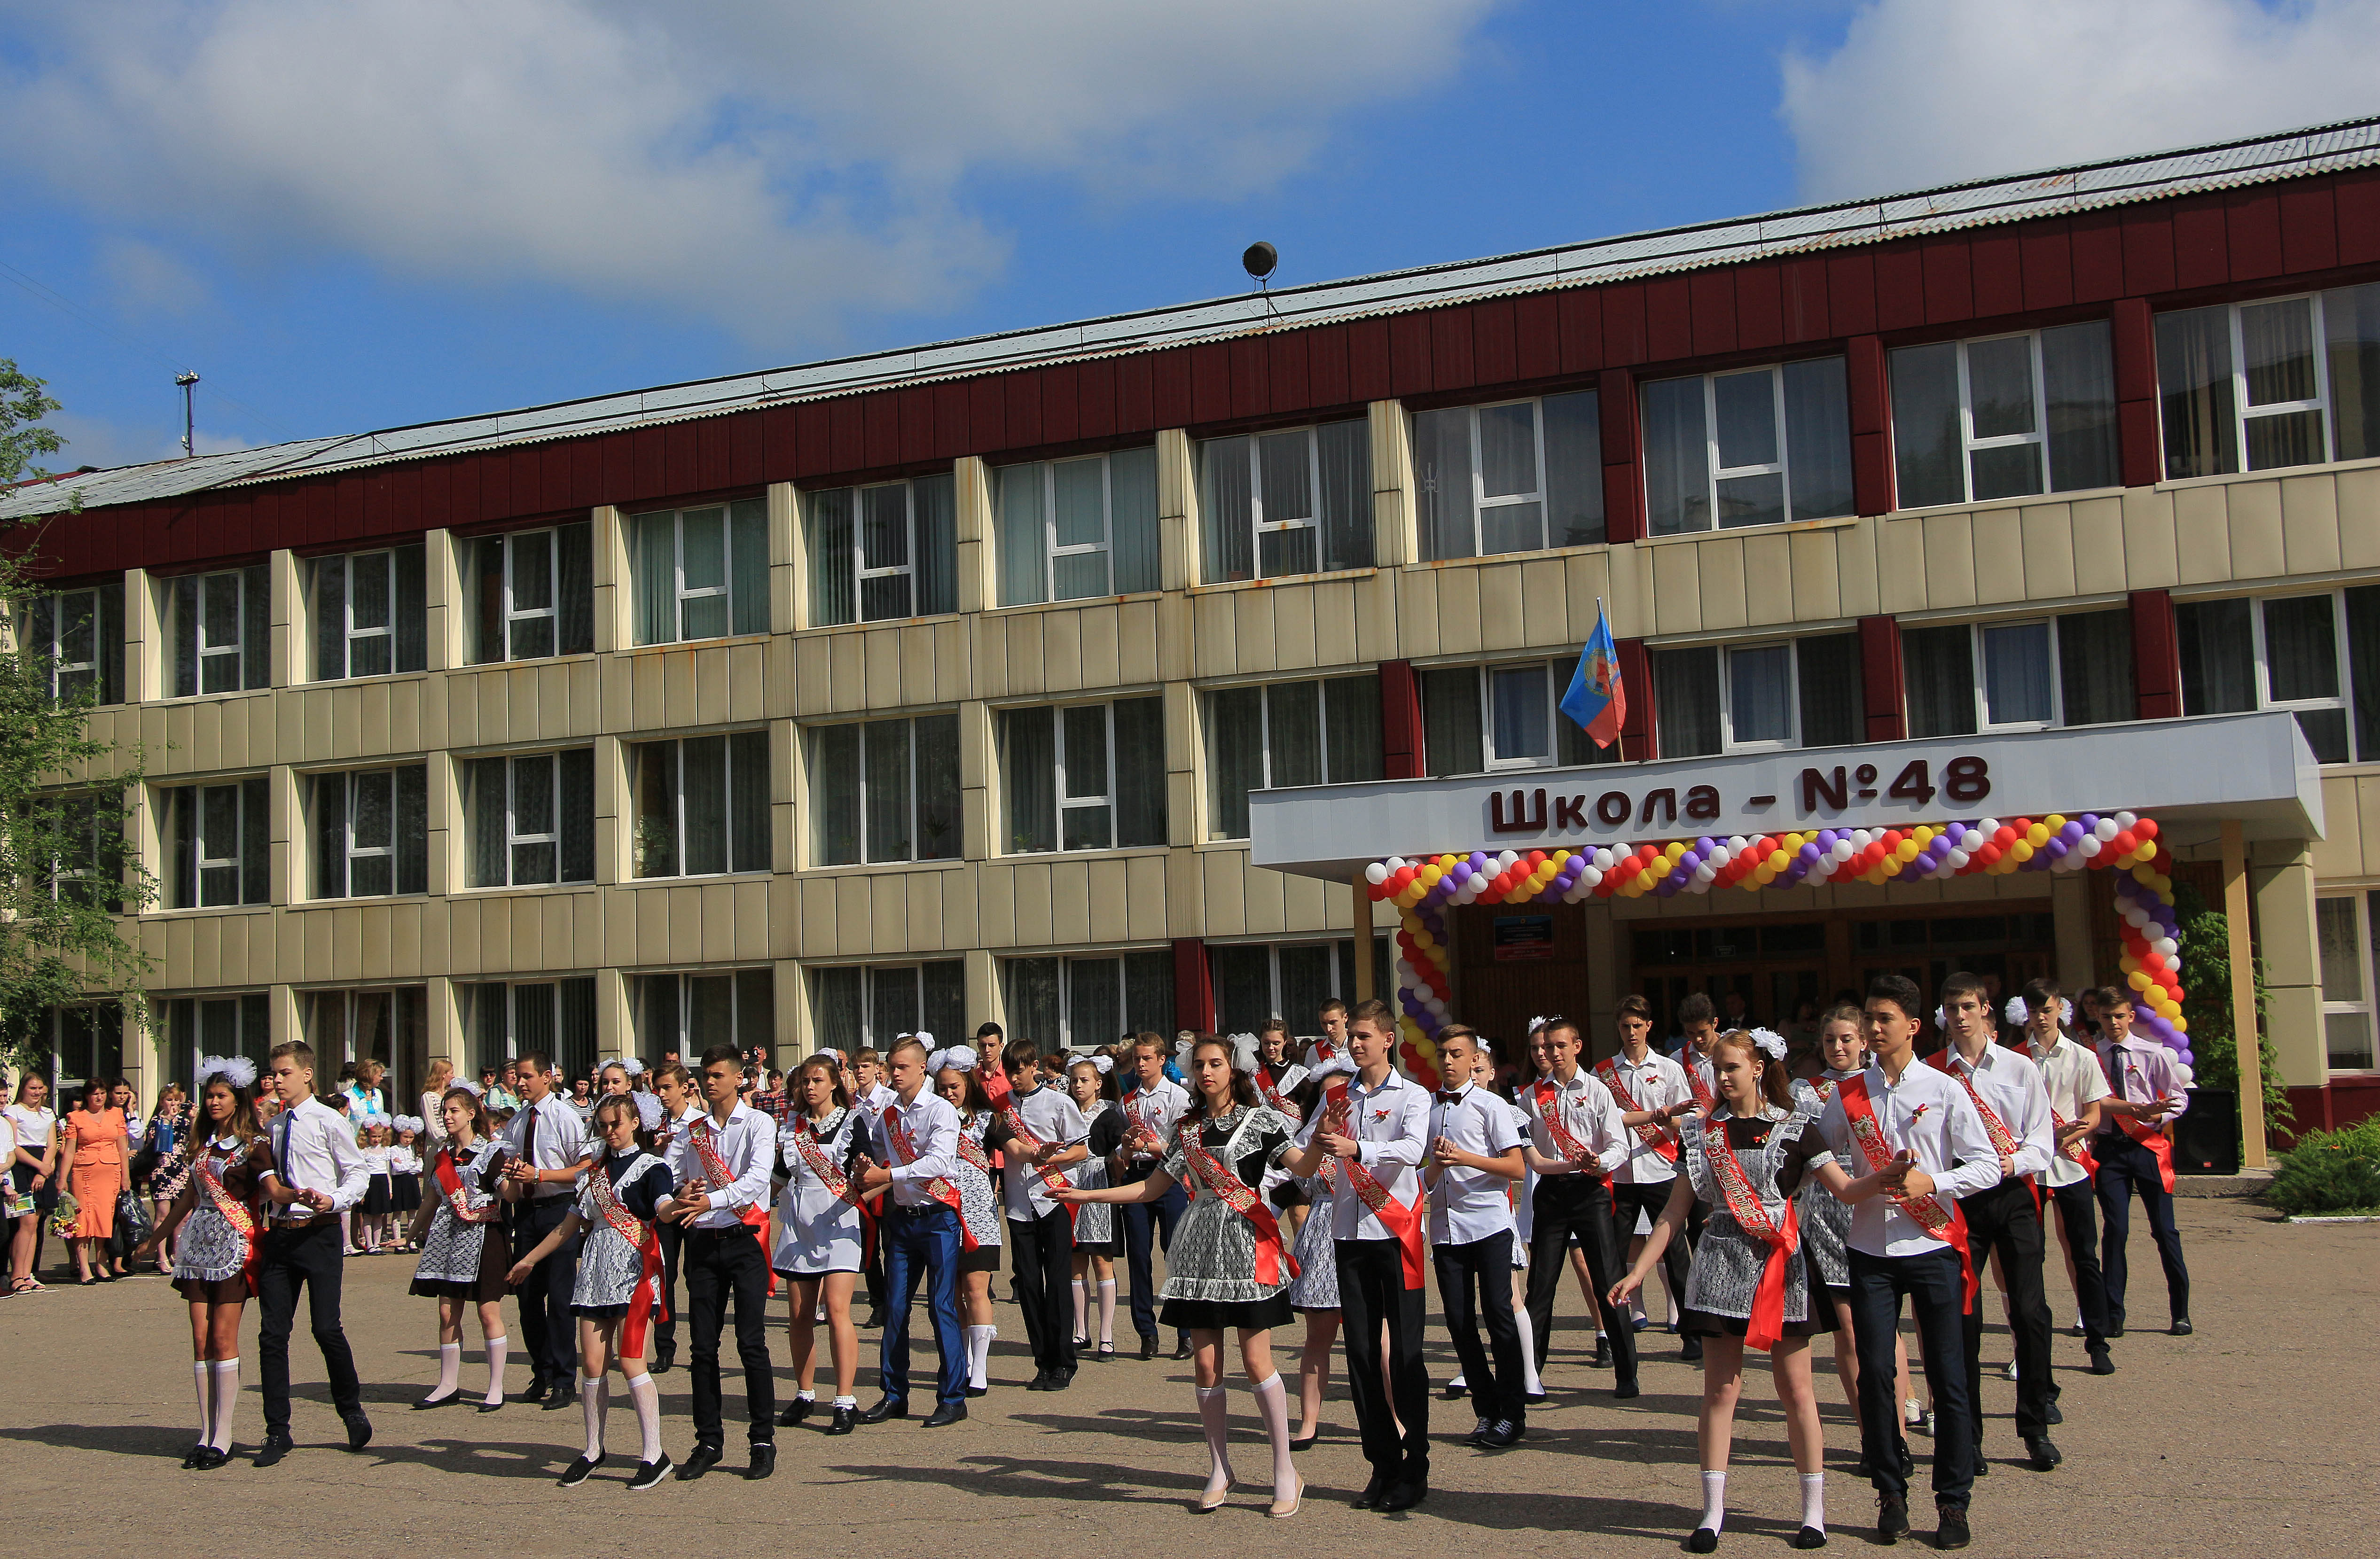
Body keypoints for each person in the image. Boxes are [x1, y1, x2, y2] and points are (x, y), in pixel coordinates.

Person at [1613, 1028, 1872, 1552]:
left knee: (1797, 1391)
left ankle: (1813, 1513)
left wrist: (1890, 1178)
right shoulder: (1702, 1134)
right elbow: (1674, 1212)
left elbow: (1845, 1190)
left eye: (1732, 1067)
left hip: (1784, 1265)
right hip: (1721, 1264)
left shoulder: (1799, 1128)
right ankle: (1711, 1513)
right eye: (1716, 1069)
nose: (1722, 1077)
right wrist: (1639, 1271)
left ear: (1758, 1069)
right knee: (1719, 1392)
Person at [1056, 1034, 1303, 1518]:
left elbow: (1305, 1167)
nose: (1207, 1072)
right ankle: (1219, 1467)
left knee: (1256, 1362)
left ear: (1234, 1070)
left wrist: (1326, 1140)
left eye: (1216, 1064)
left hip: (1249, 1246)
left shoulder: (1263, 1121)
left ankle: (1284, 1469)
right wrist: (1086, 1197)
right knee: (1207, 1366)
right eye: (1200, 1066)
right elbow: (1151, 1189)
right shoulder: (1185, 1128)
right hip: (1197, 1251)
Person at [1813, 975, 2004, 1550]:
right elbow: (1817, 1151)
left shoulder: (1944, 1088)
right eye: (1868, 1018)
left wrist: (1934, 1182)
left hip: (1934, 1250)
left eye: (1884, 1019)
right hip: (1870, 1250)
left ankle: (1953, 1502)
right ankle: (1890, 1491)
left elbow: (1989, 1166)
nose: (1873, 1029)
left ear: (1913, 1027)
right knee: (1876, 1373)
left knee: (1948, 1377)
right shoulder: (1849, 1094)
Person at [1283, 997, 1432, 1514]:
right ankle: (1382, 1465)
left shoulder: (1413, 1095)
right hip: (1348, 1237)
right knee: (1363, 1355)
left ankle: (1416, 1467)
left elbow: (1415, 1151)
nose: (1357, 1043)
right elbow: (1305, 1154)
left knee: (1407, 1354)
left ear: (1388, 1040)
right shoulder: (1339, 1096)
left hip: (1395, 1234)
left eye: (1366, 1036)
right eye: (1355, 1036)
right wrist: (1293, 1152)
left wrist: (1359, 1151)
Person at [1932, 971, 2062, 1473]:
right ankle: (1969, 1436)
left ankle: (2035, 1426)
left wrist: (2011, 1163)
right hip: (1961, 1201)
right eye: (1952, 1008)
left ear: (1986, 1011)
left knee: (2029, 1313)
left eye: (1968, 1006)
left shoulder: (2020, 1068)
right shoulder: (1935, 1072)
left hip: (2013, 1195)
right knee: (1964, 1318)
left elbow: (2041, 1140)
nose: (1960, 1016)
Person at [509, 1094, 674, 1489]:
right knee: (592, 1365)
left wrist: (681, 1205)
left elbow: (664, 1208)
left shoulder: (654, 1167)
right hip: (596, 1270)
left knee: (632, 1361)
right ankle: (592, 1448)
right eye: (603, 1125)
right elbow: (566, 1228)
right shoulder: (592, 1174)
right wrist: (529, 1259)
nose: (610, 1132)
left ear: (636, 1122)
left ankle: (655, 1453)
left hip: (636, 1268)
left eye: (616, 1123)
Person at [1797, 1007, 1919, 1469]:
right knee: (1849, 1333)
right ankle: (1872, 1435)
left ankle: (1898, 1435)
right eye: (1830, 1040)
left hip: (1878, 1209)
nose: (1839, 1047)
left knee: (1886, 1330)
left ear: (1865, 1040)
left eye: (1847, 1038)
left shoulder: (1884, 1085)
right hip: (1826, 1216)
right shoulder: (1804, 1093)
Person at [137, 1056, 268, 1470]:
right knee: (200, 1340)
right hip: (197, 1248)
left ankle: (224, 1436)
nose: (213, 1102)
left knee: (223, 1339)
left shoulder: (255, 1146)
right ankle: (205, 1431)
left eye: (221, 1096)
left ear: (237, 1100)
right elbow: (188, 1200)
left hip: (235, 1245)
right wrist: (154, 1240)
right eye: (209, 1096)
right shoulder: (201, 1145)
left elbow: (270, 1192)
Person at [659, 1045, 779, 1480]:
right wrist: (680, 1195)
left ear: (738, 1078)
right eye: (703, 1077)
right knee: (703, 1348)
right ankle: (708, 1440)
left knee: (751, 1344)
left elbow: (755, 1180)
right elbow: (667, 1176)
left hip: (744, 1240)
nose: (708, 1083)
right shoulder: (691, 1130)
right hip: (704, 1244)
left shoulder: (760, 1123)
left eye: (717, 1075)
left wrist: (710, 1197)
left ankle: (762, 1440)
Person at [252, 1040, 374, 1467]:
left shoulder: (327, 1119)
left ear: (307, 1074)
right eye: (274, 1074)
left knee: (326, 1328)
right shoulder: (277, 1124)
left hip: (319, 1233)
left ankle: (351, 1409)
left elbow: (358, 1172)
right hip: (281, 1235)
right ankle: (277, 1430)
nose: (277, 1081)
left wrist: (336, 1200)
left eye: (284, 1073)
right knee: (272, 1334)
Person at [854, 1036, 970, 1427]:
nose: (896, 1073)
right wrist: (864, 1169)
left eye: (903, 1066)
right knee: (897, 1307)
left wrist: (887, 1174)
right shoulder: (887, 1115)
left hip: (938, 1217)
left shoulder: (941, 1110)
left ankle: (953, 1398)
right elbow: (878, 1155)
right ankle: (894, 1394)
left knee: (941, 1307)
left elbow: (938, 1161)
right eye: (892, 1066)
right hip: (902, 1218)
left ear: (923, 1068)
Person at [1519, 1018, 1638, 1396]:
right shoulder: (1530, 1097)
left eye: (1559, 1046)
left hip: (1592, 1191)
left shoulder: (1600, 1091)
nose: (1551, 1054)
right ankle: (1531, 1373)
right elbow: (1529, 1152)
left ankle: (1626, 1373)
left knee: (1608, 1280)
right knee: (1541, 1286)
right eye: (1545, 1047)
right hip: (1552, 1191)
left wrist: (1598, 1162)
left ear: (1577, 1046)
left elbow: (1619, 1144)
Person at [1423, 1025, 1529, 1449]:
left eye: (1456, 1054)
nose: (1448, 1062)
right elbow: (1424, 1176)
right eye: (1442, 1054)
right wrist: (1436, 1167)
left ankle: (1512, 1412)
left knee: (1498, 1315)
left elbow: (1517, 1168)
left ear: (1474, 1060)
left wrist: (1464, 1158)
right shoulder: (1428, 1106)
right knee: (1459, 1320)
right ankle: (1485, 1410)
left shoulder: (1491, 1105)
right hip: (1446, 1229)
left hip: (1489, 1224)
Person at [2014, 980, 2115, 1373]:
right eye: (2034, 1010)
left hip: (2071, 1166)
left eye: (2047, 1009)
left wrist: (2066, 1135)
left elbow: (2093, 1115)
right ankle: (2029, 1348)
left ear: (2061, 1010)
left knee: (2084, 1254)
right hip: (2030, 1172)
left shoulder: (2082, 1057)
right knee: (2029, 1259)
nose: (2041, 1017)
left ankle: (2098, 1339)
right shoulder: (2015, 1058)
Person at [772, 1054, 876, 1436]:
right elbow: (780, 1178)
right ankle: (804, 1393)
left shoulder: (853, 1123)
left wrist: (860, 1185)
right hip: (800, 1226)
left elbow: (869, 1172)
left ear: (835, 1082)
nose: (810, 1087)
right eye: (804, 1081)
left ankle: (845, 1399)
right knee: (799, 1315)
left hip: (838, 1222)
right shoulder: (792, 1127)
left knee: (836, 1310)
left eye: (818, 1080)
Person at [985, 1037, 1092, 1392]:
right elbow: (1010, 1148)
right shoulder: (1001, 1109)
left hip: (1054, 1199)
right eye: (1009, 1071)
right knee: (1029, 1284)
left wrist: (1052, 1158)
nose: (1014, 1078)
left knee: (1058, 1281)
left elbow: (1082, 1150)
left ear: (1033, 1067)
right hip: (1018, 1206)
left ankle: (1064, 1360)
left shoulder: (1059, 1103)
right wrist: (1034, 1155)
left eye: (1020, 1070)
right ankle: (1042, 1361)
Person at [1597, 994, 1699, 1360]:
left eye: (1637, 1026)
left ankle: (1693, 1334)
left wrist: (1668, 1118)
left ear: (1649, 1027)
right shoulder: (1604, 1073)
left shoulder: (1670, 1069)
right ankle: (1615, 1339)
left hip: (1661, 1170)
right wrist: (1652, 1115)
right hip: (1623, 1173)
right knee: (1613, 1256)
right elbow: (1602, 1119)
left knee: (1675, 1254)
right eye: (1625, 1026)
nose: (1631, 1032)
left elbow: (1690, 1117)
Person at [405, 1083, 513, 1414]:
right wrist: (410, 1235)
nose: (448, 1117)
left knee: (487, 1312)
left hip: (485, 1238)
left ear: (471, 1114)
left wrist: (517, 1180)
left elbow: (509, 1194)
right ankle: (447, 1384)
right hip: (448, 1237)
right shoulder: (442, 1156)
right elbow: (432, 1198)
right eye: (445, 1112)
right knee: (447, 1312)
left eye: (454, 1111)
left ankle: (495, 1387)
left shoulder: (493, 1153)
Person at [2090, 988, 2192, 1338]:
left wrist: (2157, 1118)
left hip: (2147, 1146)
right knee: (2115, 1230)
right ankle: (2114, 1314)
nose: (2114, 1023)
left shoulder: (2154, 1053)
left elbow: (2179, 1098)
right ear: (2098, 1018)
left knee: (2165, 1231)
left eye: (2119, 1016)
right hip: (2110, 1151)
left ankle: (2180, 1312)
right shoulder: (2093, 1057)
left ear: (2131, 1016)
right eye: (2106, 1017)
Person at [499, 1052, 594, 1408]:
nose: (520, 1083)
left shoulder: (564, 1115)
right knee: (527, 1299)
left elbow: (585, 1166)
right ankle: (542, 1371)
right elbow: (509, 1164)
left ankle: (565, 1380)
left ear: (546, 1078)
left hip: (558, 1209)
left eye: (526, 1077)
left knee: (559, 1298)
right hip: (526, 1211)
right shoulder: (519, 1120)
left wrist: (541, 1175)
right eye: (517, 1077)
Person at [1280, 1047, 1349, 1448]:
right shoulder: (1310, 1144)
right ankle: (1309, 1421)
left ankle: (1392, 1416)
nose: (1337, 1101)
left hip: (1367, 1230)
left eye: (1343, 1093)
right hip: (1323, 1238)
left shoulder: (1376, 1132)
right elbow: (1293, 1184)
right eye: (1328, 1095)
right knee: (1317, 1338)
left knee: (1378, 1340)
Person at [1116, 1031, 1194, 1361]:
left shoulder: (1178, 1097)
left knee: (1175, 1254)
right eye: (1137, 1059)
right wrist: (1125, 1146)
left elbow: (1183, 1145)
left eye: (1148, 1058)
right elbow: (1121, 1148)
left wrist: (1146, 1145)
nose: (1141, 1064)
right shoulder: (1128, 1100)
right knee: (1138, 1256)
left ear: (1163, 1060)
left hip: (1171, 1176)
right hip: (1138, 1174)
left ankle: (1186, 1332)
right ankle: (1146, 1333)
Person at [934, 1049, 1005, 1397]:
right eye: (942, 1087)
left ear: (968, 1084)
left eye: (954, 1086)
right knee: (955, 1292)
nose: (949, 1093)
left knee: (977, 1289)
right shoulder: (930, 1120)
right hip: (943, 1212)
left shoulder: (987, 1120)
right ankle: (959, 1360)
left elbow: (1013, 1148)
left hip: (978, 1216)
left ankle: (981, 1367)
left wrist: (1036, 1153)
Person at [1066, 1054, 1124, 1359]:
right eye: (1074, 1080)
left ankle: (1106, 1336)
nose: (1078, 1085)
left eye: (1084, 1080)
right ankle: (1080, 1331)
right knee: (1075, 1261)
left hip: (1099, 1185)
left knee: (1102, 1261)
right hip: (1071, 1184)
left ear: (1099, 1084)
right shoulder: (1065, 1111)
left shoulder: (1110, 1115)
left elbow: (1119, 1149)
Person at [647, 1062, 701, 1372]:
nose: (662, 1094)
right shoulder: (654, 1124)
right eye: (659, 1088)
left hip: (691, 1201)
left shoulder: (699, 1122)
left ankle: (700, 1347)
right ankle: (664, 1349)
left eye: (668, 1087)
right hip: (666, 1203)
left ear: (685, 1088)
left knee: (697, 1278)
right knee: (664, 1278)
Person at [61, 1079, 130, 1285]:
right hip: (84, 1172)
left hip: (110, 1171)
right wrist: (62, 1179)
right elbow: (69, 1150)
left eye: (102, 1093)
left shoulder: (116, 1114)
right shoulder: (76, 1117)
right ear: (86, 1097)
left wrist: (125, 1176)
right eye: (94, 1094)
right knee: (84, 1220)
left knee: (104, 1218)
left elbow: (122, 1147)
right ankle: (84, 1268)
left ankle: (101, 1264)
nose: (99, 1097)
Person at [7, 1074, 60, 1293]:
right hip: (22, 1167)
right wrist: (38, 1167)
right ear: (24, 1089)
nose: (36, 1092)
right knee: (25, 1223)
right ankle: (17, 1275)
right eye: (32, 1088)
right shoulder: (13, 1111)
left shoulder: (48, 1113)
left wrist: (44, 1171)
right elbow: (14, 1145)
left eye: (40, 1088)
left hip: (42, 1167)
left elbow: (52, 1144)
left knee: (36, 1222)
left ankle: (28, 1274)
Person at [1253, 1019, 1307, 1123]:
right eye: (1266, 1043)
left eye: (1276, 1043)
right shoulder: (1253, 1073)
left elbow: (1311, 1109)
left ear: (1285, 1042)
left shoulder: (1299, 1073)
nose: (1271, 1048)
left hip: (1290, 1136)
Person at [354, 1118, 395, 1255]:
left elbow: (388, 1171)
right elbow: (362, 1172)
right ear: (367, 1136)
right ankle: (369, 1244)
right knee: (368, 1216)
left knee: (380, 1215)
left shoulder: (385, 1151)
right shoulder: (365, 1152)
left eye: (379, 1136)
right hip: (370, 1184)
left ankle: (377, 1244)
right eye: (373, 1137)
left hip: (382, 1182)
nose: (377, 1139)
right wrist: (361, 1192)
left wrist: (390, 1189)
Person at [387, 1118, 423, 1253]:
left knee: (412, 1213)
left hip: (411, 1182)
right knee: (397, 1213)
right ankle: (398, 1242)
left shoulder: (415, 1149)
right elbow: (397, 1168)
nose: (408, 1140)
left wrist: (406, 1165)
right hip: (399, 1182)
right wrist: (409, 1166)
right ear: (399, 1136)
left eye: (411, 1137)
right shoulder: (394, 1150)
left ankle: (411, 1241)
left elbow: (420, 1167)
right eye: (405, 1137)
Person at [419, 1060, 455, 1155]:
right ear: (444, 1074)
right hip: (436, 1146)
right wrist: (445, 1141)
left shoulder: (450, 1094)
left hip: (452, 1143)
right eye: (451, 1073)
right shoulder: (428, 1096)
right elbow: (431, 1127)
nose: (453, 1076)